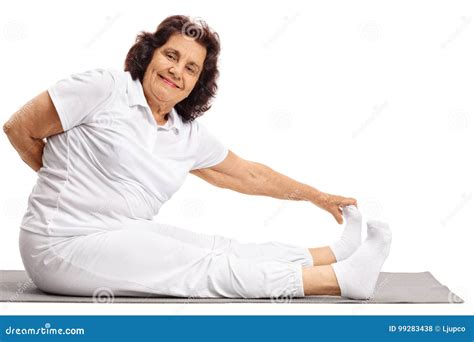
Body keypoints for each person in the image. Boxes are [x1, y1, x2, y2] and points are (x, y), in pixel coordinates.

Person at [3, 15, 391, 300]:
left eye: (191, 68)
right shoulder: (104, 89)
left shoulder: (183, 132)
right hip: (59, 244)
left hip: (119, 232)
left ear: (197, 83)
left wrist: (317, 197)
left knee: (220, 247)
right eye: (171, 55)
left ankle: (334, 255)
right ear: (149, 53)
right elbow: (19, 128)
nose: (176, 71)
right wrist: (62, 181)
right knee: (202, 269)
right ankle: (341, 281)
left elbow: (249, 175)